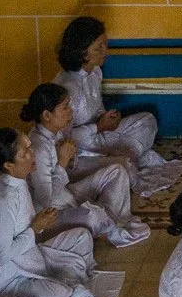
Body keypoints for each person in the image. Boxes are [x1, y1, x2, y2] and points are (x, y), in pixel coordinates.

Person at [0, 129, 121, 297]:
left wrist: (40, 223)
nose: (32, 154)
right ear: (9, 165)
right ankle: (56, 288)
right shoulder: (5, 199)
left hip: (30, 257)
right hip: (9, 279)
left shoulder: (15, 182)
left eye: (30, 147)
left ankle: (64, 282)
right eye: (25, 152)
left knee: (81, 237)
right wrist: (35, 228)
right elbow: (1, 256)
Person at [54, 17, 182, 191]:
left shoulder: (95, 72)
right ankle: (119, 161)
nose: (105, 51)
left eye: (105, 44)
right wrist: (98, 127)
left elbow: (98, 108)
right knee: (124, 167)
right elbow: (63, 140)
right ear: (83, 53)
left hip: (100, 137)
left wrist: (108, 118)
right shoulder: (67, 88)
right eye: (98, 48)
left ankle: (117, 158)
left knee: (147, 120)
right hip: (78, 154)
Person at [20, 82, 148, 248]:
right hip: (51, 215)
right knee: (93, 216)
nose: (71, 112)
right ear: (47, 115)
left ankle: (115, 221)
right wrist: (63, 161)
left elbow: (65, 172)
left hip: (66, 195)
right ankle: (103, 224)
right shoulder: (38, 147)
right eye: (65, 108)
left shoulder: (55, 132)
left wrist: (69, 159)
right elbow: (46, 199)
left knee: (117, 171)